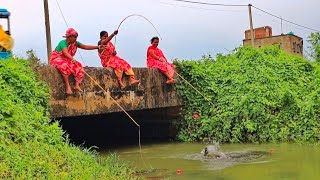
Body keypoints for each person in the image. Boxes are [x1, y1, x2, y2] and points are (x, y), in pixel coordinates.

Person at [50, 28, 101, 94]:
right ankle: (67, 86)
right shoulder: (63, 42)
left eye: (76, 37)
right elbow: (65, 53)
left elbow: (85, 47)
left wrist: (98, 47)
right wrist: (72, 59)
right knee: (64, 65)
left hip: (67, 59)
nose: (75, 38)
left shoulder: (75, 43)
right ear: (69, 37)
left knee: (79, 66)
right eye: (74, 37)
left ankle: (76, 85)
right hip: (57, 59)